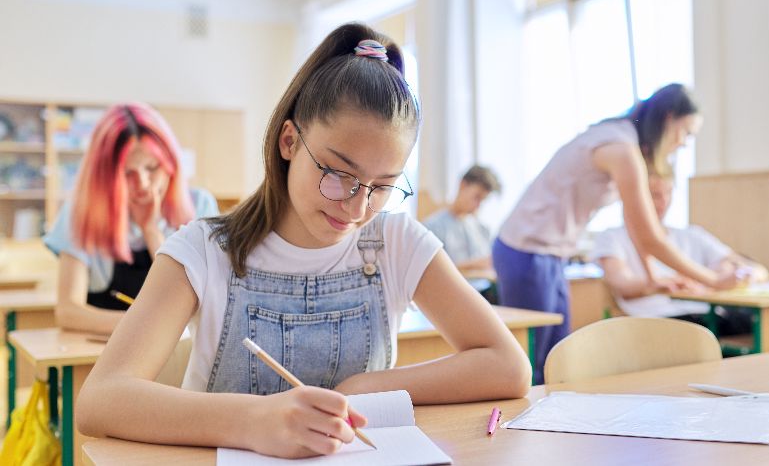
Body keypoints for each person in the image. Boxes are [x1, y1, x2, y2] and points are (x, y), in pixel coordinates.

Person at [76, 23, 531, 459]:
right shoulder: (202, 249)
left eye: (381, 187)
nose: (355, 209)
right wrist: (254, 421)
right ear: (289, 141)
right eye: (338, 175)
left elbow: (509, 367)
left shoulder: (395, 240)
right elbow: (100, 400)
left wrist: (363, 387)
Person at [493, 83, 741, 384]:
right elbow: (648, 234)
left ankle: (548, 424)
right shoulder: (621, 148)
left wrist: (652, 276)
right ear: (668, 118)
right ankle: (521, 427)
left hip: (549, 253)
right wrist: (713, 280)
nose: (684, 144)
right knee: (535, 365)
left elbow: (637, 226)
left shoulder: (622, 143)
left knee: (556, 360)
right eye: (686, 133)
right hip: (526, 250)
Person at [43, 103, 219, 335]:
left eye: (153, 168)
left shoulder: (200, 206)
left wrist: (150, 231)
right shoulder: (80, 212)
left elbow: (205, 303)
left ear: (171, 165)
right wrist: (146, 327)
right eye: (127, 173)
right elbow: (68, 312)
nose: (143, 184)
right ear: (105, 177)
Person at [591, 171, 769, 334]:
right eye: (654, 195)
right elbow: (620, 282)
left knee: (764, 322)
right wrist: (660, 283)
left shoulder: (691, 234)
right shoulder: (613, 237)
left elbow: (752, 268)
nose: (663, 201)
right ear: (635, 196)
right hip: (659, 319)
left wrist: (724, 272)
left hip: (705, 313)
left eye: (668, 193)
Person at [423, 165, 500, 299]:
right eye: (477, 197)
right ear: (463, 185)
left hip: (484, 293)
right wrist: (473, 265)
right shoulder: (432, 227)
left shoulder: (482, 229)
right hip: (452, 296)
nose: (478, 205)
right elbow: (433, 273)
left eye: (483, 201)